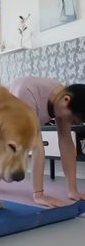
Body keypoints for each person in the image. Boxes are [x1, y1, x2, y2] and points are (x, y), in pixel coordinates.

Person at [9, 76, 85, 207]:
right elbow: (37, 146)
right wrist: (39, 195)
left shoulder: (62, 99)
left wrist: (73, 191)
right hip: (10, 112)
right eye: (72, 120)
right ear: (66, 100)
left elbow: (66, 141)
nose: (71, 123)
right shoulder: (27, 92)